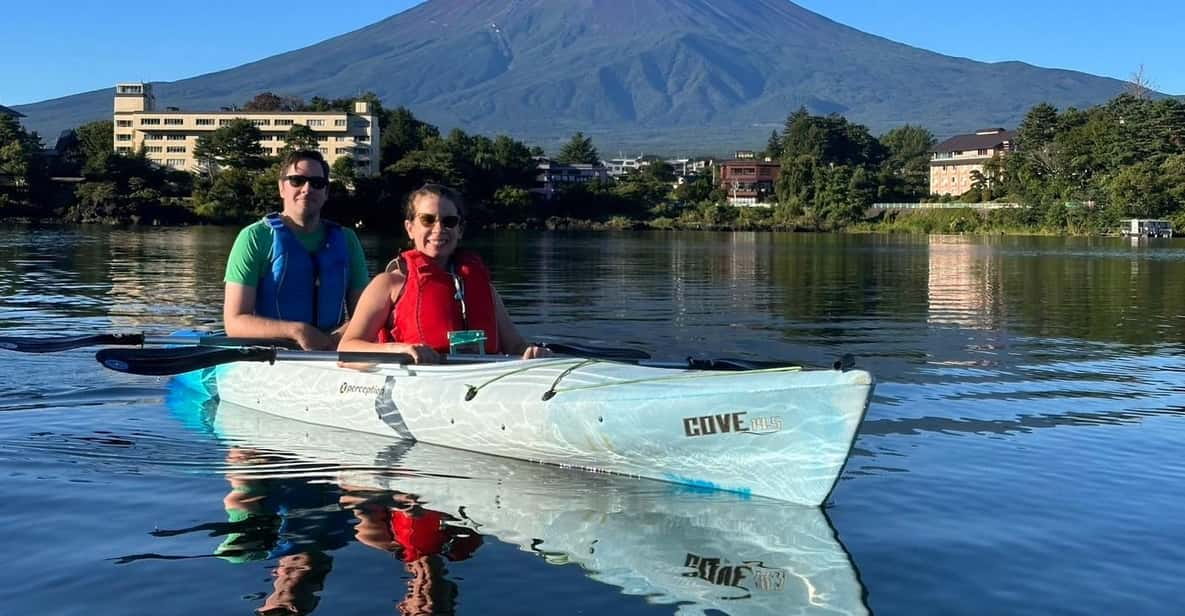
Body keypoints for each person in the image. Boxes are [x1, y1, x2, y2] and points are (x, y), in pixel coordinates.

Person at [338, 184, 549, 363]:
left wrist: (532, 353)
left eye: (449, 222)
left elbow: (515, 345)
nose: (439, 229)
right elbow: (347, 348)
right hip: (417, 390)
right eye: (428, 220)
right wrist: (398, 349)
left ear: (460, 230)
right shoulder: (388, 284)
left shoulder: (484, 289)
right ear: (410, 228)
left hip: (476, 388)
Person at [223, 150, 369, 350]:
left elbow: (366, 315)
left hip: (332, 350)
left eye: (317, 183)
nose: (307, 188)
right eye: (297, 181)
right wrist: (297, 331)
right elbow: (235, 322)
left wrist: (342, 335)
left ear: (326, 192)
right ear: (282, 188)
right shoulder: (254, 238)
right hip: (272, 354)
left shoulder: (347, 239)